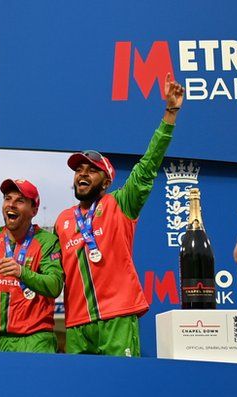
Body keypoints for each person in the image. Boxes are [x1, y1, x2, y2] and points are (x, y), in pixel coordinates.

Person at [56, 73, 184, 356]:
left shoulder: (120, 204)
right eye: (78, 170)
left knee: (122, 392)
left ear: (106, 180)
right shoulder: (63, 220)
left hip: (117, 317)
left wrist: (170, 114)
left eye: (91, 169)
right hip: (77, 324)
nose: (82, 174)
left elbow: (148, 165)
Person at [0, 179, 64, 353]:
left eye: (20, 201)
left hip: (36, 339)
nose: (11, 205)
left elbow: (55, 285)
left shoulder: (47, 241)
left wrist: (22, 272)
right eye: (8, 198)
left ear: (34, 210)